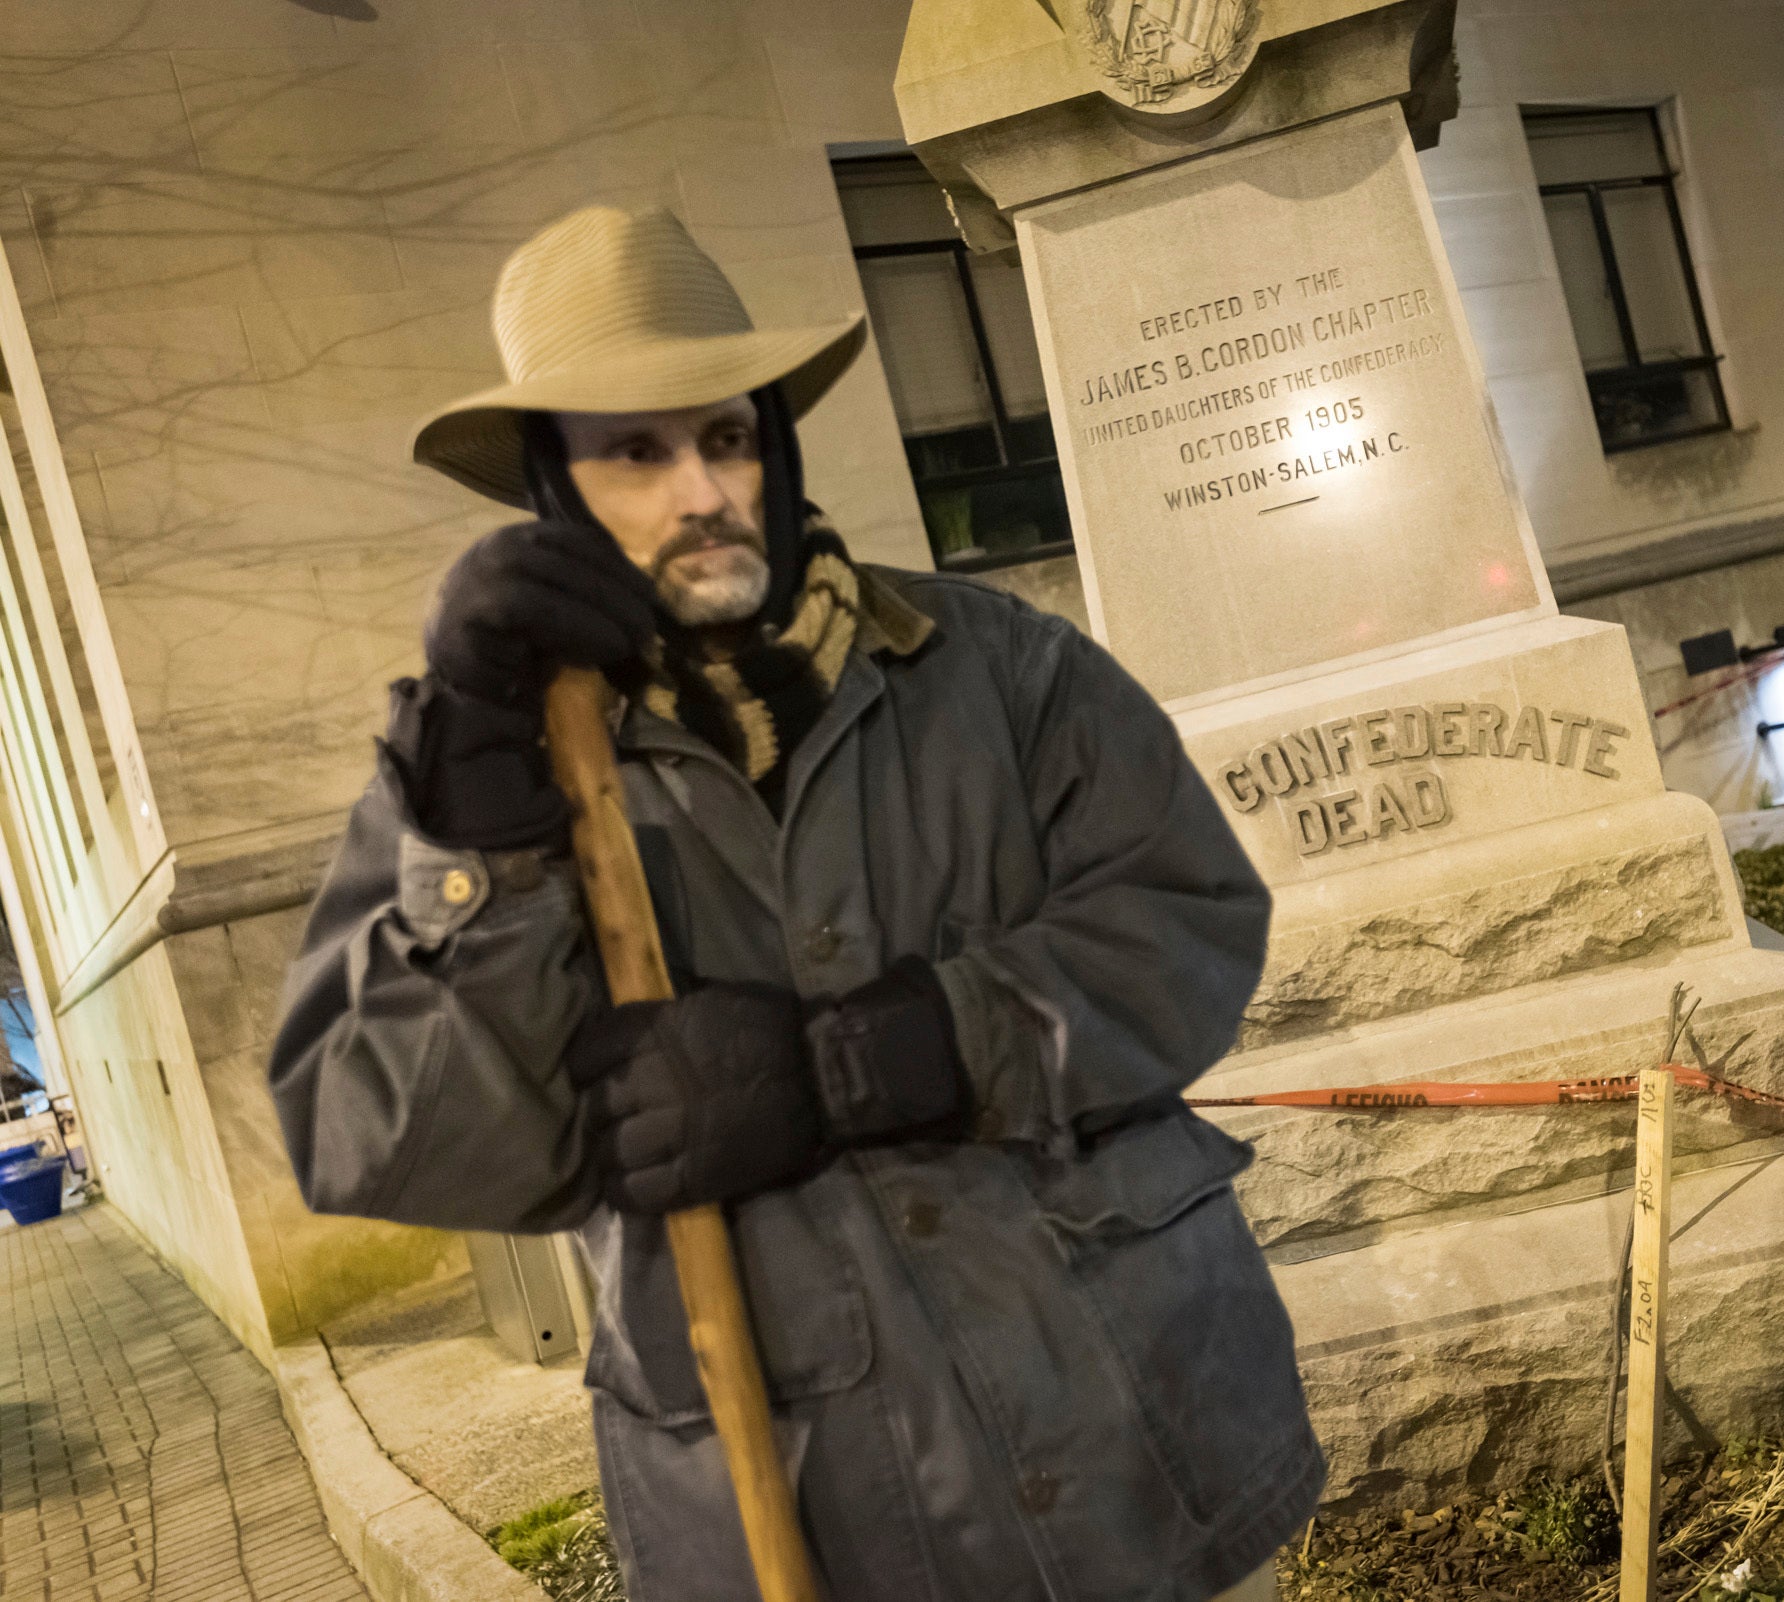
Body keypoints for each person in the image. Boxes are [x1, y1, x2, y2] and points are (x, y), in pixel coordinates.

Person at [270, 205, 1322, 1602]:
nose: (702, 491)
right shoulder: (487, 783)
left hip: (1147, 1450)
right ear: (553, 488)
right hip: (825, 1521)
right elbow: (376, 1134)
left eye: (726, 434)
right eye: (634, 451)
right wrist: (484, 841)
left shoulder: (994, 668)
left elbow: (1187, 920)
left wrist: (909, 1046)